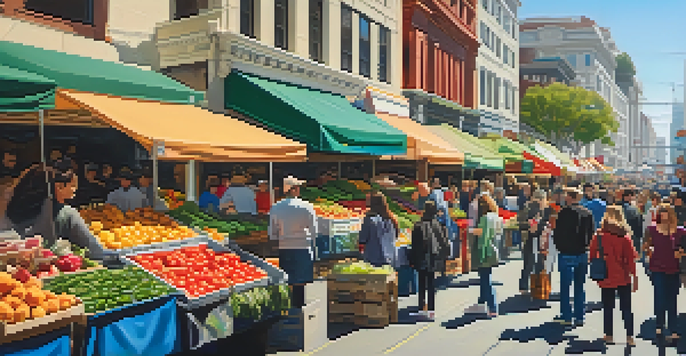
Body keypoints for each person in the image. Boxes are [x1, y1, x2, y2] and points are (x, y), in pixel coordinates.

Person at [6, 160, 106, 259]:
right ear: (59, 186)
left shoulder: (17, 209)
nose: (75, 189)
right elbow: (94, 250)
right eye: (73, 185)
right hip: (51, 267)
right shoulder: (66, 213)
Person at [589, 206, 638, 346]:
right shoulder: (624, 236)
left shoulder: (599, 235)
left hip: (606, 275)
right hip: (623, 276)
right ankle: (629, 337)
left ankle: (609, 335)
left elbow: (592, 255)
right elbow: (630, 259)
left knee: (608, 306)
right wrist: (635, 277)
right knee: (626, 308)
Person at [269, 176, 317, 309]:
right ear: (294, 189)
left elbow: (272, 231)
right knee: (300, 281)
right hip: (303, 246)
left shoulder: (276, 207)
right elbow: (314, 230)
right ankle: (299, 306)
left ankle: (287, 306)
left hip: (284, 246)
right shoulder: (306, 206)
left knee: (287, 278)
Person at [552, 188, 595, 326]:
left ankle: (566, 315)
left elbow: (558, 232)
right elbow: (591, 233)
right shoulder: (587, 213)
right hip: (582, 252)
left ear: (570, 197)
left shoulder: (564, 212)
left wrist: (560, 247)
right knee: (579, 286)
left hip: (567, 253)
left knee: (565, 286)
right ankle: (579, 315)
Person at [644, 204, 682, 343]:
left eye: (665, 212)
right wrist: (648, 250)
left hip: (674, 268)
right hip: (657, 268)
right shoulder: (652, 229)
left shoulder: (680, 231)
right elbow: (645, 246)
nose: (662, 215)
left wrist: (681, 253)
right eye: (661, 212)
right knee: (660, 297)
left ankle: (673, 329)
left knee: (672, 299)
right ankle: (659, 324)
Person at [410, 200, 450, 320]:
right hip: (434, 257)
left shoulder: (418, 225)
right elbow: (443, 242)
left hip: (422, 257)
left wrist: (412, 259)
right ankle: (431, 310)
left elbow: (414, 245)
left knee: (422, 283)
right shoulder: (437, 224)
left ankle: (422, 307)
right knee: (431, 283)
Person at [473, 195, 503, 318]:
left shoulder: (484, 218)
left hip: (485, 251)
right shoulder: (496, 217)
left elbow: (483, 239)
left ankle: (492, 305)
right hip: (494, 249)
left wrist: (472, 231)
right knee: (485, 277)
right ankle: (482, 302)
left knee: (485, 278)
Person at [519, 189, 551, 294]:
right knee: (531, 263)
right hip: (533, 239)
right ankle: (528, 287)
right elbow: (530, 226)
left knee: (537, 264)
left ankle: (534, 287)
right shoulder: (532, 209)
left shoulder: (545, 210)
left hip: (539, 240)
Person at [359, 193, 399, 267]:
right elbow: (396, 236)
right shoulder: (391, 219)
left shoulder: (369, 219)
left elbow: (362, 239)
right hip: (390, 257)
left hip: (373, 258)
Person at [621, 189, 643, 256]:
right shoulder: (633, 209)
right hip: (633, 235)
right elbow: (638, 222)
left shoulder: (617, 207)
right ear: (630, 196)